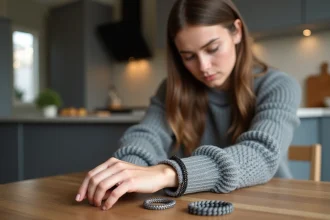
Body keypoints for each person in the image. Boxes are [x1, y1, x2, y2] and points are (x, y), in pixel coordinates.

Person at [76, 0, 301, 210]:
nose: (204, 66)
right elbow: (147, 135)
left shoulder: (280, 86)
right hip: (195, 205)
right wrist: (127, 172)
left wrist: (168, 173)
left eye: (212, 49)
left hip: (265, 206)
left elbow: (260, 155)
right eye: (188, 56)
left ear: (237, 31)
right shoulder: (171, 90)